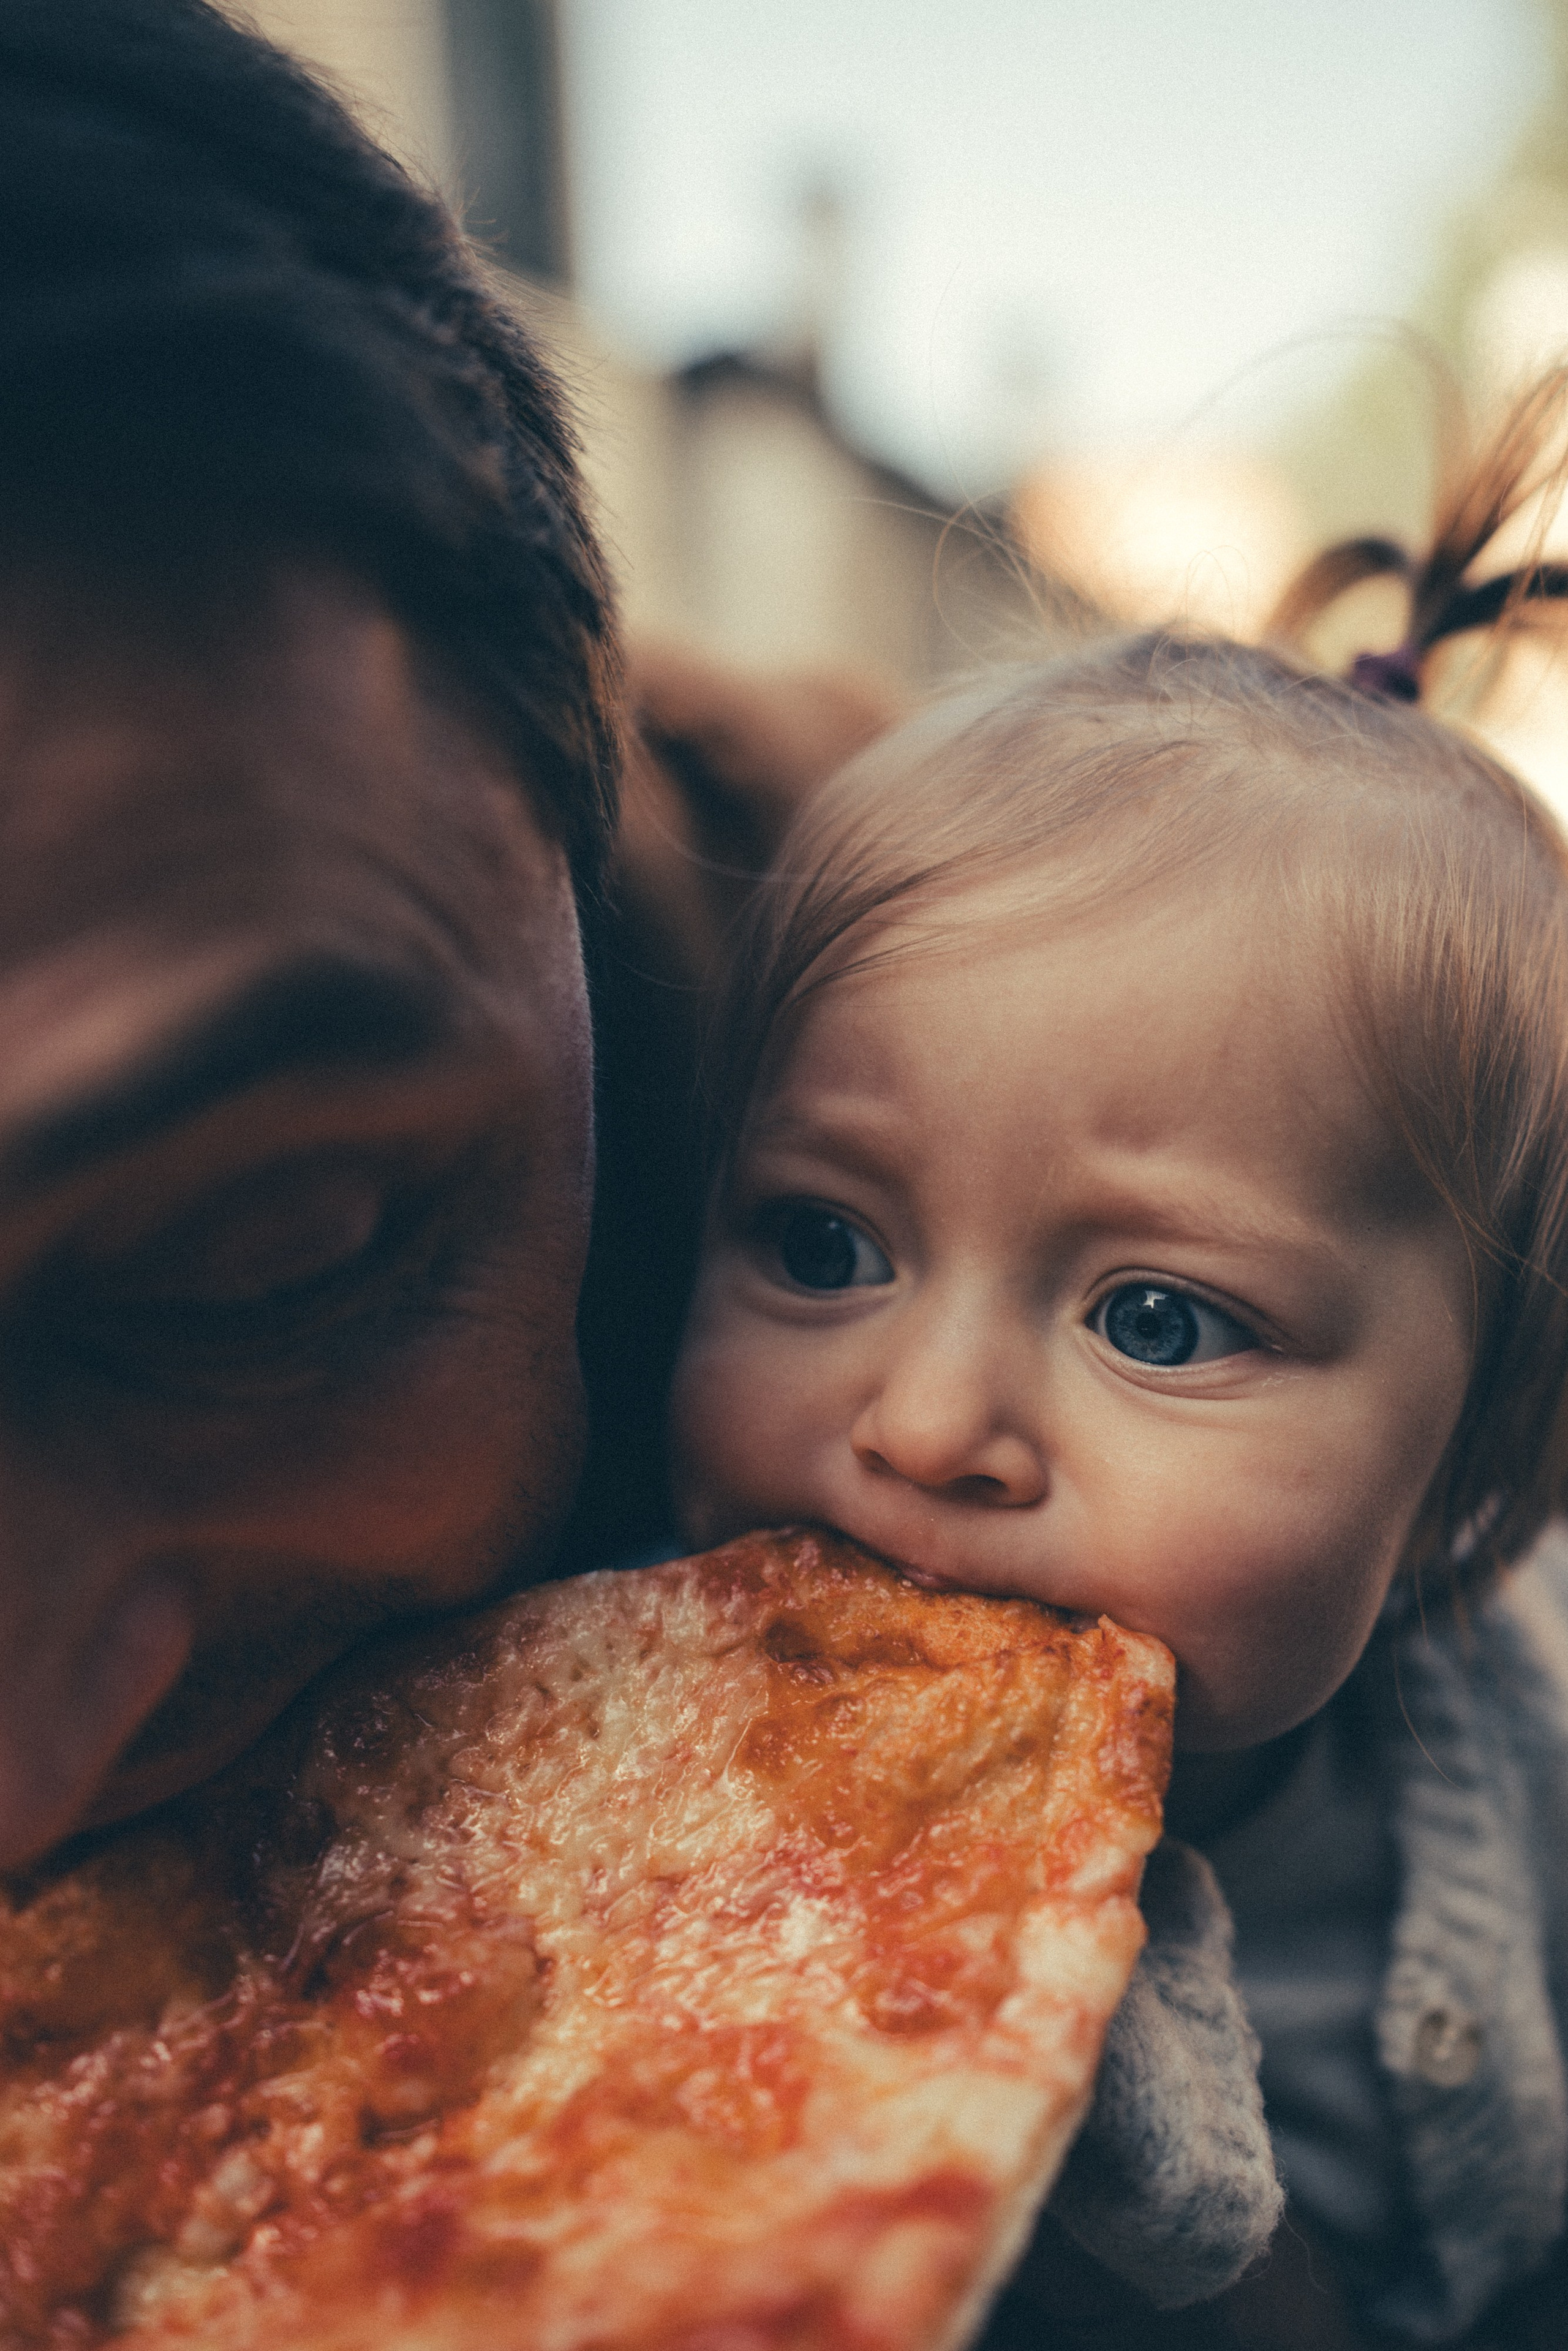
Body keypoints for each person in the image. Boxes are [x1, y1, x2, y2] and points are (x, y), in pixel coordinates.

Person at [666, 388, 1568, 2347]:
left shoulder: (1508, 1747)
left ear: (1468, 1482)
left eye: (1156, 1320)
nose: (923, 1427)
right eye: (824, 1245)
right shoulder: (684, 1885)